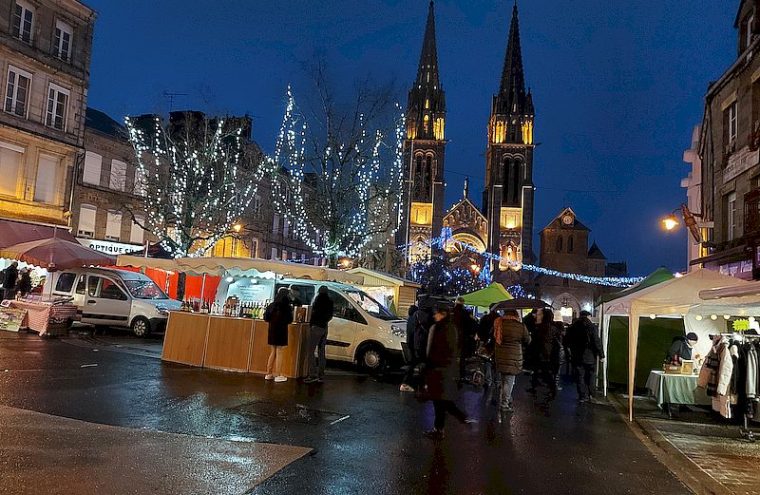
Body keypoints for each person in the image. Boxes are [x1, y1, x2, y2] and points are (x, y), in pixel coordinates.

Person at [424, 304, 473, 439]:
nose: (435, 316)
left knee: (440, 401)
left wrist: (430, 366)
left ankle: (448, 425)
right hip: (447, 370)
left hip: (439, 370)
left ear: (443, 314)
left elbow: (436, 350)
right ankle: (444, 426)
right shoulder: (452, 328)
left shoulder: (441, 328)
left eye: (437, 313)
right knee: (441, 400)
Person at [493, 309, 531, 412]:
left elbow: (494, 338)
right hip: (513, 357)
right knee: (509, 381)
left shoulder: (499, 323)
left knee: (504, 379)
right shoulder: (520, 326)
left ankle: (508, 398)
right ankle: (504, 404)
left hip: (500, 355)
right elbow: (527, 340)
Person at [564, 310, 605, 402]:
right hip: (590, 356)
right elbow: (596, 341)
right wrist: (601, 354)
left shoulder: (573, 327)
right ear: (588, 316)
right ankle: (591, 394)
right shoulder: (591, 327)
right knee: (591, 375)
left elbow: (566, 341)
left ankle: (582, 396)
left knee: (580, 376)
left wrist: (570, 352)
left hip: (577, 356)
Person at [529, 308, 563, 395]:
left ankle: (551, 389)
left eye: (540, 314)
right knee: (544, 372)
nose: (537, 316)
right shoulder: (552, 328)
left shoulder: (543, 328)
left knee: (545, 373)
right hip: (546, 355)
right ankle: (549, 388)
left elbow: (536, 342)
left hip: (545, 354)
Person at [263, 287, 294, 383]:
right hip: (281, 330)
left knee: (273, 351)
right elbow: (290, 320)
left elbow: (266, 317)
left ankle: (268, 373)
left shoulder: (272, 305)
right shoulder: (286, 306)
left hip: (272, 329)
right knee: (279, 351)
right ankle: (278, 374)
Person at [304, 286, 333, 384]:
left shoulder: (318, 300)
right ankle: (321, 375)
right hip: (324, 327)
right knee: (321, 351)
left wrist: (311, 323)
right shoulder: (330, 301)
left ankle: (312, 374)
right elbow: (330, 316)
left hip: (316, 327)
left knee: (310, 351)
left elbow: (314, 313)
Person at [453, 296, 477, 380]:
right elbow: (474, 325)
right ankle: (461, 375)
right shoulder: (466, 313)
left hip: (451, 338)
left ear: (456, 303)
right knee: (462, 358)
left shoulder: (450, 312)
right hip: (463, 339)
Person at [400, 304, 419, 392]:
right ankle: (405, 383)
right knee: (413, 364)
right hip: (413, 344)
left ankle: (407, 383)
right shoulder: (414, 320)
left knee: (413, 363)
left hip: (410, 344)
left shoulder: (409, 319)